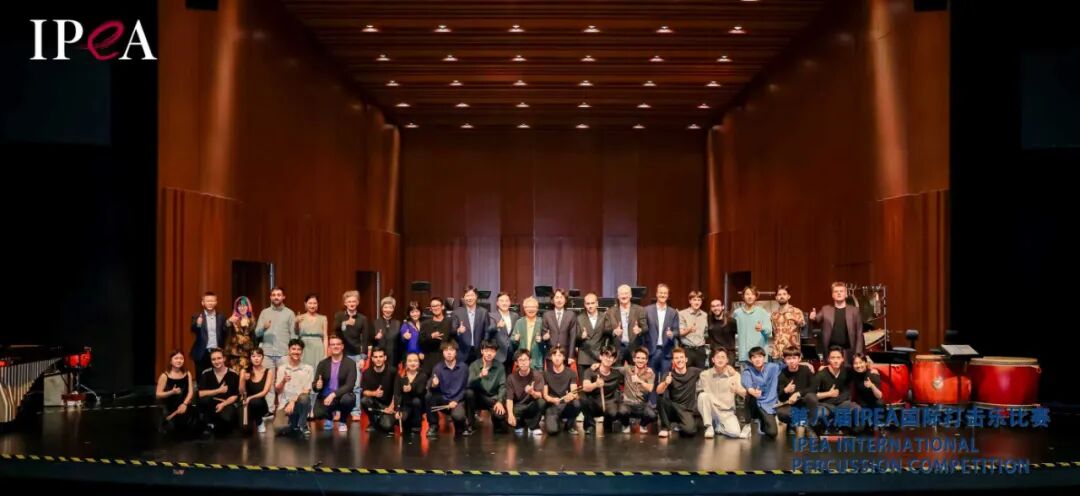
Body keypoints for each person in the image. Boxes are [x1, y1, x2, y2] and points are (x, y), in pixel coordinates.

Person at [696, 346, 750, 439]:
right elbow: (699, 395)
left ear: (727, 360)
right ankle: (709, 426)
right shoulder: (704, 375)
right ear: (713, 360)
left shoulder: (734, 375)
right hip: (712, 410)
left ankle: (719, 427)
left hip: (726, 412)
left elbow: (745, 394)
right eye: (717, 357)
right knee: (702, 396)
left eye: (723, 357)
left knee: (735, 433)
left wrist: (737, 390)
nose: (720, 360)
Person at [256, 287, 297, 410]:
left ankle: (283, 408)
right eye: (273, 295)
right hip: (267, 353)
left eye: (279, 295)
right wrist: (263, 327)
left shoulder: (290, 313)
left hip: (284, 353)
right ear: (270, 297)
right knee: (268, 383)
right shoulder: (264, 313)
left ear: (283, 297)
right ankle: (270, 409)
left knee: (286, 381)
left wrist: (292, 352)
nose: (276, 297)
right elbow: (257, 333)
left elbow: (293, 335)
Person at [333, 290, 368, 419]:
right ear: (345, 303)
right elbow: (335, 330)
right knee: (339, 383)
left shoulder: (362, 319)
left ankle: (356, 411)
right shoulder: (339, 316)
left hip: (356, 355)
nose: (352, 303)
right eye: (349, 301)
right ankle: (338, 410)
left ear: (357, 302)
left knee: (356, 386)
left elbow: (365, 339)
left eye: (354, 301)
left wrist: (363, 357)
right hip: (341, 355)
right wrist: (345, 323)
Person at [809, 282, 865, 361]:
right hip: (830, 352)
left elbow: (859, 333)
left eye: (841, 291)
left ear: (846, 294)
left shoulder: (854, 311)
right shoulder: (825, 309)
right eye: (836, 291)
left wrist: (858, 353)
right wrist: (813, 318)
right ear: (832, 295)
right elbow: (816, 322)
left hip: (849, 351)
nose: (839, 293)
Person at [312, 335, 358, 433]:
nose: (335, 346)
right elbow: (315, 385)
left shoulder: (350, 363)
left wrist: (333, 395)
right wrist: (317, 386)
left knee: (348, 400)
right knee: (318, 413)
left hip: (342, 396)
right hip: (326, 397)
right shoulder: (323, 363)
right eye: (332, 344)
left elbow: (350, 385)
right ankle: (329, 417)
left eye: (338, 344)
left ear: (342, 346)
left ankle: (343, 420)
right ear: (329, 347)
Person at [426, 340, 469, 438]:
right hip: (444, 400)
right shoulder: (438, 368)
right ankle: (433, 425)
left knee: (458, 418)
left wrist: (456, 401)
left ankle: (463, 423)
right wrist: (434, 384)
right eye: (446, 350)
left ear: (456, 352)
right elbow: (430, 387)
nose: (449, 353)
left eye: (452, 350)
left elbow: (466, 387)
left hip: (458, 401)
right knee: (428, 396)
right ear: (442, 353)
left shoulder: (463, 367)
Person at [656, 348, 701, 438]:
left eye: (681, 357)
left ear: (686, 359)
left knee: (690, 431)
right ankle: (665, 428)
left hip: (686, 410)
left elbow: (709, 372)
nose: (679, 360)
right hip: (673, 408)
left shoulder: (694, 371)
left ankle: (676, 425)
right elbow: (658, 391)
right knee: (660, 397)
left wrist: (727, 368)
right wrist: (665, 383)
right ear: (673, 361)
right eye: (676, 358)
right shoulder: (669, 375)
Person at [774, 346, 817, 438]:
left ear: (799, 358)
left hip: (804, 403)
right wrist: (785, 390)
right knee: (781, 412)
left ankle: (808, 426)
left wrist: (798, 393)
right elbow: (781, 397)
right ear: (784, 360)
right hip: (791, 406)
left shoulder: (806, 369)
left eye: (794, 358)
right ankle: (797, 423)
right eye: (788, 358)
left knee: (812, 397)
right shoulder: (782, 374)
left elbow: (813, 387)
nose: (792, 361)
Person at [581, 345, 625, 435]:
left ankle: (607, 425)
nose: (608, 359)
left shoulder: (617, 374)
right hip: (594, 403)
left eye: (611, 357)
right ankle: (590, 426)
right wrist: (595, 384)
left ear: (614, 360)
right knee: (582, 399)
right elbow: (585, 387)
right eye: (605, 356)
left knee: (614, 411)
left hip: (608, 403)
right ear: (600, 356)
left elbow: (629, 371)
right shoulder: (591, 371)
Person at [466, 340, 508, 433]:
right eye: (486, 350)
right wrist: (480, 375)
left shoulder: (500, 366)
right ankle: (470, 424)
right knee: (469, 393)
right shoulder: (474, 365)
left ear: (495, 352)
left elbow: (503, 386)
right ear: (482, 351)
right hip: (478, 397)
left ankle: (496, 421)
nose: (489, 353)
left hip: (492, 399)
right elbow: (468, 384)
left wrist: (500, 401)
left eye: (492, 351)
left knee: (500, 420)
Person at [274, 339, 314, 437]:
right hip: (284, 405)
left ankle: (303, 424)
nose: (296, 352)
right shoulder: (282, 368)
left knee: (304, 398)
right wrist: (283, 381)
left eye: (299, 349)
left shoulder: (308, 369)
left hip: (299, 403)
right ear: (289, 350)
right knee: (278, 428)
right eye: (293, 349)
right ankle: (293, 422)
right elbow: (277, 390)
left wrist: (292, 401)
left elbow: (307, 390)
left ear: (302, 352)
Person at [197, 348, 240, 435]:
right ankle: (209, 423)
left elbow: (235, 395)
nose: (216, 361)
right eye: (213, 359)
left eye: (219, 358)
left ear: (224, 358)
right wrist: (218, 390)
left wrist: (223, 404)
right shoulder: (206, 373)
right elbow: (200, 393)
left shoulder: (233, 374)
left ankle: (216, 424)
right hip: (211, 404)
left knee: (227, 420)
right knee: (205, 400)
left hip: (226, 403)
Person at [740, 346, 780, 438]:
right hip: (756, 402)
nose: (757, 359)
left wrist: (804, 363)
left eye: (760, 356)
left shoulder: (772, 367)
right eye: (754, 357)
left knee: (772, 433)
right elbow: (746, 382)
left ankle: (762, 421)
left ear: (764, 358)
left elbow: (787, 365)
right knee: (748, 396)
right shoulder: (748, 371)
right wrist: (752, 391)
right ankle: (747, 424)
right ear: (751, 359)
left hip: (769, 404)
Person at [156, 350, 198, 436]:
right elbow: (158, 395)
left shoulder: (187, 373)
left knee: (194, 424)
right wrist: (171, 392)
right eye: (176, 358)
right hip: (170, 406)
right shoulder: (164, 376)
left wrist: (184, 404)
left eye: (181, 358)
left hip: (184, 404)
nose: (179, 360)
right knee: (174, 429)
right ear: (171, 361)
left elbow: (190, 392)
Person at [603, 284, 647, 365]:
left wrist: (639, 330)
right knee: (616, 371)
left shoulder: (639, 310)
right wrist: (614, 332)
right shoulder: (610, 311)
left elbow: (645, 327)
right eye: (621, 294)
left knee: (634, 371)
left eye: (626, 293)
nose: (624, 296)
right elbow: (606, 329)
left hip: (634, 348)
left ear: (630, 295)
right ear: (618, 296)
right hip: (617, 348)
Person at [542, 346, 580, 435]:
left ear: (564, 357)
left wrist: (571, 396)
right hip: (553, 406)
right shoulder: (545, 373)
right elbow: (545, 395)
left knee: (577, 404)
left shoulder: (571, 373)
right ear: (551, 357)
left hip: (566, 404)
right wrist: (552, 400)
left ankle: (569, 425)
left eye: (559, 355)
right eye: (554, 355)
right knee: (552, 431)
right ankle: (556, 420)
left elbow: (574, 392)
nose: (557, 358)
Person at [617, 348, 657, 433]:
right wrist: (598, 365)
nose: (640, 360)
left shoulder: (650, 373)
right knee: (621, 411)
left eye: (643, 358)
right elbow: (612, 368)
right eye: (638, 358)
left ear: (646, 360)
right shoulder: (627, 369)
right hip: (628, 403)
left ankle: (642, 425)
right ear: (634, 359)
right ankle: (626, 425)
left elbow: (650, 388)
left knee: (652, 415)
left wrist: (640, 381)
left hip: (641, 405)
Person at [505, 349, 545, 435]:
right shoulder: (511, 378)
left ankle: (533, 426)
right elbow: (509, 399)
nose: (523, 363)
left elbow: (539, 395)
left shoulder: (537, 375)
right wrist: (510, 414)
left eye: (526, 360)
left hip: (531, 405)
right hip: (518, 407)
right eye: (520, 360)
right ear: (516, 363)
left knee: (541, 402)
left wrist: (532, 392)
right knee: (514, 418)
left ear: (530, 361)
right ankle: (520, 424)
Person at [644, 284, 680, 377]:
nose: (663, 295)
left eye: (665, 293)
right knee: (651, 380)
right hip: (651, 351)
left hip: (667, 352)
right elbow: (643, 329)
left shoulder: (673, 312)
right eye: (661, 293)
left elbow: (677, 331)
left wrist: (672, 334)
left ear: (668, 295)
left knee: (665, 380)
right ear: (656, 294)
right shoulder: (647, 310)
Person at [360, 346, 397, 435]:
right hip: (375, 405)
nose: (378, 359)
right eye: (376, 357)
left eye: (380, 356)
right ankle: (373, 422)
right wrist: (374, 393)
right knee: (364, 400)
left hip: (389, 405)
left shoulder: (393, 371)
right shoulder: (367, 373)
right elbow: (364, 391)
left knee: (387, 426)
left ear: (385, 358)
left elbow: (397, 392)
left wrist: (391, 407)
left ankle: (382, 419)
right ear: (372, 359)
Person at [732, 287, 772, 367]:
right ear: (743, 296)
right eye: (747, 294)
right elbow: (732, 330)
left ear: (756, 297)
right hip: (744, 355)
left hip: (759, 356)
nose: (750, 296)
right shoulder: (737, 313)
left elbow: (769, 332)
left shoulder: (762, 312)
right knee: (745, 375)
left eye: (752, 294)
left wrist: (762, 329)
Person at [451, 286, 491, 365]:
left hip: (479, 352)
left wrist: (484, 348)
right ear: (464, 298)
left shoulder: (483, 312)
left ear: (476, 296)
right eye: (467, 296)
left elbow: (487, 331)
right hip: (462, 352)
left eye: (472, 295)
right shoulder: (457, 312)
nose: (469, 298)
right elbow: (452, 331)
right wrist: (458, 330)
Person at [190, 292, 228, 373]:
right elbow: (193, 330)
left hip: (217, 352)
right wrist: (198, 324)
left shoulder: (221, 317)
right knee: (201, 377)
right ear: (203, 303)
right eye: (207, 301)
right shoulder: (197, 316)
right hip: (202, 352)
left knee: (216, 376)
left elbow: (225, 333)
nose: (210, 303)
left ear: (216, 302)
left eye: (212, 301)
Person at [239, 347, 274, 434]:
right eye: (253, 356)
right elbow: (241, 391)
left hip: (260, 403)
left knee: (255, 402)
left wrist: (250, 398)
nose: (256, 358)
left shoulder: (268, 371)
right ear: (250, 358)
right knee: (245, 429)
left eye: (259, 356)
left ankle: (259, 421)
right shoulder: (244, 371)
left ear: (262, 357)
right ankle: (251, 419)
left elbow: (265, 392)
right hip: (245, 403)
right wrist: (243, 379)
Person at [541, 288, 578, 368]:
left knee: (565, 375)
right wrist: (544, 336)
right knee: (551, 375)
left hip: (565, 354)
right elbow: (543, 333)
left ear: (565, 300)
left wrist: (571, 355)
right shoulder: (546, 315)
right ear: (552, 300)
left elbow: (573, 336)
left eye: (561, 297)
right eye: (557, 297)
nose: (559, 300)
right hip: (551, 354)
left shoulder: (571, 315)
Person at [394, 353, 428, 435]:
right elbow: (397, 393)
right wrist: (397, 410)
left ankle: (417, 425)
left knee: (416, 401)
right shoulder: (401, 375)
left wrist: (411, 388)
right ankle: (407, 420)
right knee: (400, 420)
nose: (413, 363)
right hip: (405, 405)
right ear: (406, 363)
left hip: (417, 404)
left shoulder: (423, 375)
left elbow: (420, 392)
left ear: (419, 363)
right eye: (410, 361)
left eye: (415, 361)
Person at [770, 286, 806, 363]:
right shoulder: (773, 314)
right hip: (777, 353)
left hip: (792, 353)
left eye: (784, 294)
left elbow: (803, 326)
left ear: (788, 296)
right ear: (776, 298)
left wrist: (796, 320)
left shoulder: (796, 311)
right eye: (779, 294)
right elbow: (772, 332)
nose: (781, 296)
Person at [420, 297, 454, 374]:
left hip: (444, 360)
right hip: (429, 360)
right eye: (433, 306)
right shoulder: (425, 324)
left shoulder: (449, 322)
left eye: (437, 305)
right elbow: (420, 342)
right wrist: (431, 337)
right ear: (430, 309)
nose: (435, 308)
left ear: (442, 307)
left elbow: (452, 340)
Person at [575, 293, 611, 367]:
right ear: (584, 305)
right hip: (584, 358)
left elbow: (608, 335)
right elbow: (574, 339)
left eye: (592, 303)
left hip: (599, 357)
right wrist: (581, 337)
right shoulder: (579, 318)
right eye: (588, 303)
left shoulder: (604, 317)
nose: (590, 306)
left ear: (597, 303)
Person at [510, 296, 546, 370]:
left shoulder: (542, 322)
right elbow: (512, 340)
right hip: (522, 361)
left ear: (537, 309)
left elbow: (547, 343)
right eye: (528, 307)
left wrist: (541, 340)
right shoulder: (519, 322)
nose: (531, 309)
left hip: (537, 360)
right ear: (524, 309)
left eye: (533, 307)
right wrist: (515, 339)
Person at [296, 293, 328, 371]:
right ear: (305, 304)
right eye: (310, 303)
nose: (312, 306)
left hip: (318, 348)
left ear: (318, 304)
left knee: (318, 370)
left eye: (315, 303)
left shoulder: (323, 318)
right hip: (304, 347)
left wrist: (325, 354)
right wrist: (296, 322)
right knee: (304, 371)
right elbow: (296, 334)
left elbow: (325, 337)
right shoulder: (300, 318)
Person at [225, 296, 257, 373]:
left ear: (248, 307)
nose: (242, 308)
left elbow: (254, 338)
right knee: (234, 375)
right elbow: (225, 331)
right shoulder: (233, 319)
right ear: (236, 308)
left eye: (244, 306)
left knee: (245, 375)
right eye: (239, 306)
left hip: (247, 353)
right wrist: (229, 322)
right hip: (234, 354)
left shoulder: (252, 320)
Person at [487, 292, 518, 370]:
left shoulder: (515, 316)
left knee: (510, 375)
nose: (504, 303)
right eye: (502, 301)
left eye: (507, 301)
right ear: (497, 303)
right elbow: (488, 330)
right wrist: (497, 326)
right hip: (498, 354)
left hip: (512, 353)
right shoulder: (491, 315)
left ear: (510, 302)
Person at [678, 291, 709, 368]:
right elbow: (680, 333)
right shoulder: (682, 314)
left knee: (701, 373)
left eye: (699, 300)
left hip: (701, 350)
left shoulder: (705, 315)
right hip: (687, 350)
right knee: (686, 373)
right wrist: (689, 330)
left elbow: (706, 333)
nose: (697, 302)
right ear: (690, 301)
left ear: (701, 302)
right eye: (694, 300)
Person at [705, 299, 737, 366]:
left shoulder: (731, 321)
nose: (716, 308)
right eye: (713, 306)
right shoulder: (709, 321)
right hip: (715, 353)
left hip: (729, 354)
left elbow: (739, 335)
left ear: (723, 307)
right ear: (711, 308)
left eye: (718, 305)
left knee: (728, 372)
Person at [373, 296, 401, 368]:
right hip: (379, 358)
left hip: (394, 358)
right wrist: (375, 338)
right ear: (382, 308)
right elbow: (369, 341)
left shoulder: (398, 323)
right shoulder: (375, 323)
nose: (388, 310)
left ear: (393, 309)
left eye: (390, 307)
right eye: (385, 307)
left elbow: (400, 343)